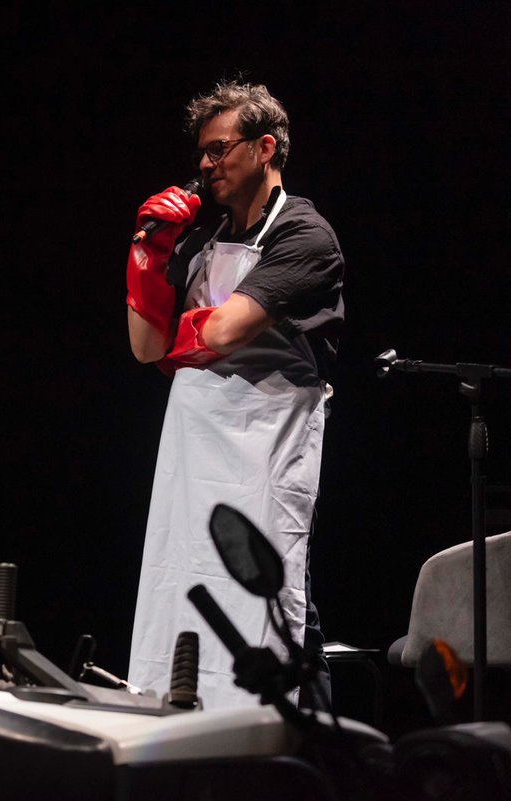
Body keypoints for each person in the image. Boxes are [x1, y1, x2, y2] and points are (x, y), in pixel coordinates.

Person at [124, 81, 344, 708]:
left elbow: (225, 330)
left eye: (219, 149)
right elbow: (144, 346)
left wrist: (183, 341)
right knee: (183, 581)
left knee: (272, 596)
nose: (205, 164)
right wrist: (148, 254)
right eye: (202, 151)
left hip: (265, 440)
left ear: (265, 147)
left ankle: (305, 745)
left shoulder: (305, 236)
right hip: (195, 445)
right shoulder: (201, 238)